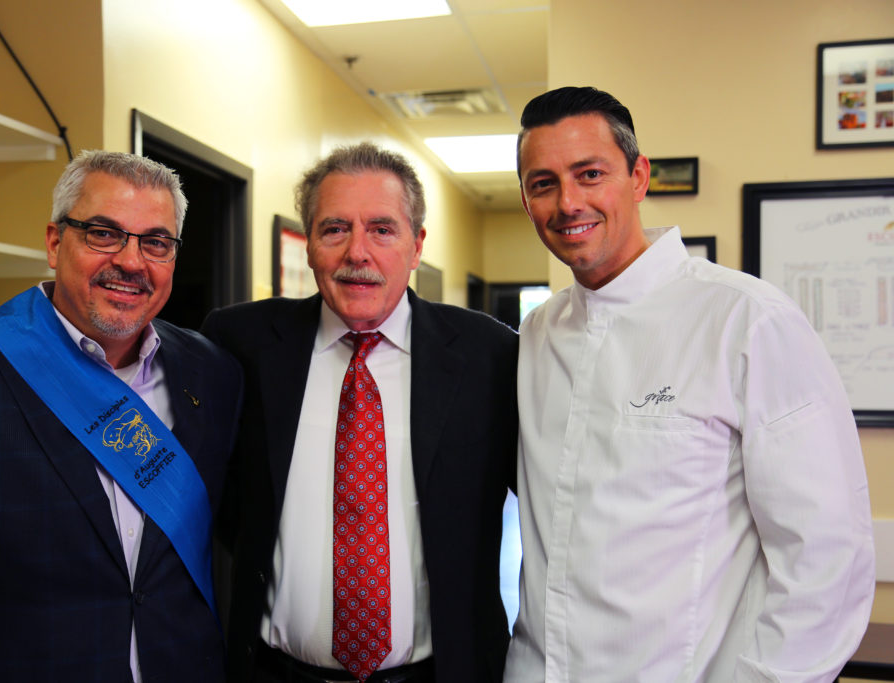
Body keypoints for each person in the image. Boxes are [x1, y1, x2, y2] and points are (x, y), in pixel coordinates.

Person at [506, 85, 876, 682]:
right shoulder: (536, 336)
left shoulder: (746, 321)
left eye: (590, 173)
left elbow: (827, 558)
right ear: (526, 200)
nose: (567, 202)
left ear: (639, 176)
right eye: (543, 183)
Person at [0, 150, 243, 682]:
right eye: (102, 233)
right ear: (53, 242)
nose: (132, 262)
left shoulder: (213, 373)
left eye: (155, 242)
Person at [201, 141, 518, 683]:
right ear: (309, 246)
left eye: (382, 229)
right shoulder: (241, 344)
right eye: (334, 229)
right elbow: (218, 498)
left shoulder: (488, 355)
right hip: (276, 674)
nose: (357, 253)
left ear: (416, 246)